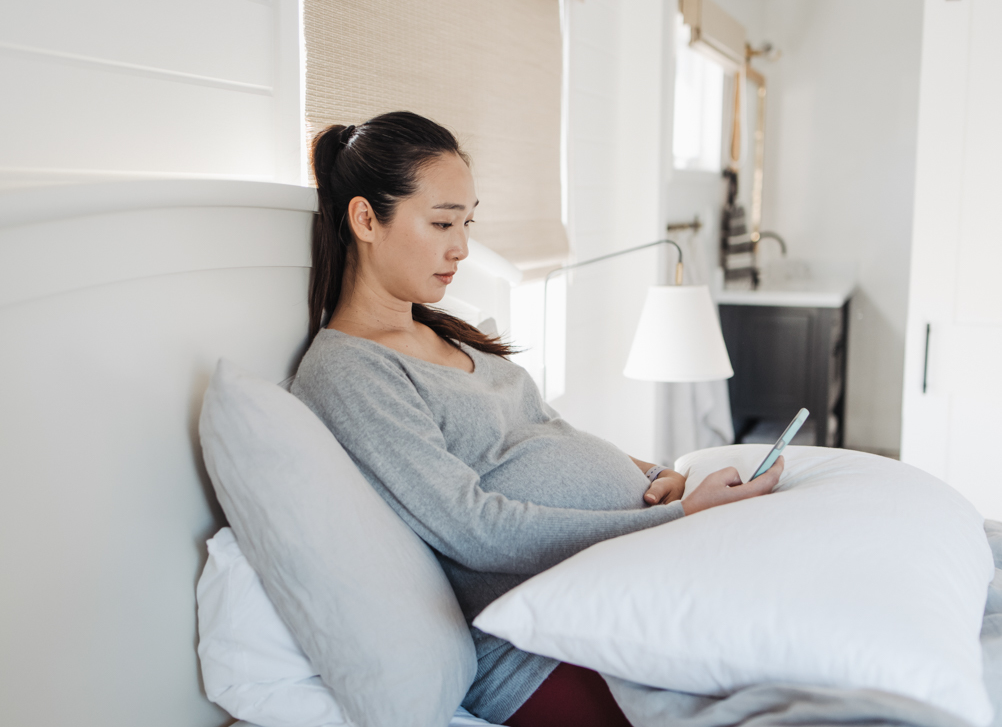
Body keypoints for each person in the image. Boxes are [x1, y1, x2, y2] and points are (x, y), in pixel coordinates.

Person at [290, 111, 783, 727]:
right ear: (366, 219)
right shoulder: (349, 371)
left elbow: (554, 431)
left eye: (466, 222)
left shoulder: (448, 331)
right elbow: (476, 530)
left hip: (620, 583)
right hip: (540, 649)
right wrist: (674, 519)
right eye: (442, 223)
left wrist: (662, 476)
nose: (462, 248)